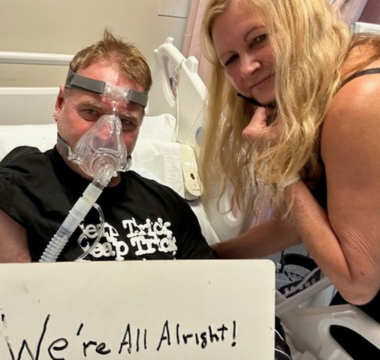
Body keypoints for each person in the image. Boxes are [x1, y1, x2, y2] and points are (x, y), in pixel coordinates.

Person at [199, 0, 380, 358]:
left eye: (259, 39)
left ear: (299, 26)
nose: (247, 67)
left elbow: (359, 282)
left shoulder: (358, 101)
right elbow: (304, 220)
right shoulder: (318, 92)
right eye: (230, 59)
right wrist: (210, 255)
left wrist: (279, 170)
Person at [0, 29, 216, 263]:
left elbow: (207, 288)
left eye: (125, 122)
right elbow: (15, 293)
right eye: (91, 112)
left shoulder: (167, 204)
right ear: (60, 103)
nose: (106, 136)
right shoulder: (18, 186)